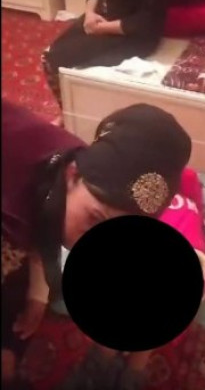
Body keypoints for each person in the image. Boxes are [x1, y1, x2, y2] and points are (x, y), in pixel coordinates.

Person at [1, 101, 191, 387]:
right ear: (72, 174)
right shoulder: (14, 190)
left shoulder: (74, 173)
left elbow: (42, 231)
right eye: (95, 218)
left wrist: (37, 296)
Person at [43, 0, 168, 104]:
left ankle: (71, 110)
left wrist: (102, 28)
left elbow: (148, 20)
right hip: (100, 19)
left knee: (58, 58)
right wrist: (89, 13)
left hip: (133, 35)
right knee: (52, 53)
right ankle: (67, 108)